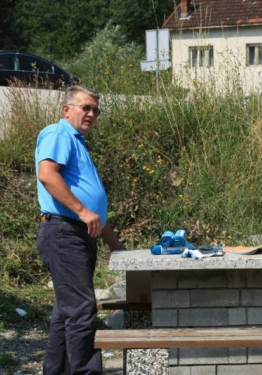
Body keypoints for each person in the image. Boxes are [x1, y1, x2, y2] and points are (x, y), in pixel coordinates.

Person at [35, 85, 125, 373]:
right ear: (66, 110)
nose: (91, 114)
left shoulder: (78, 143)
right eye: (85, 107)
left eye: (95, 110)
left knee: (67, 312)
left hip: (77, 234)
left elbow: (93, 210)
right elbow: (47, 175)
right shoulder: (58, 133)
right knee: (82, 310)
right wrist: (83, 211)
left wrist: (116, 245)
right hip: (64, 233)